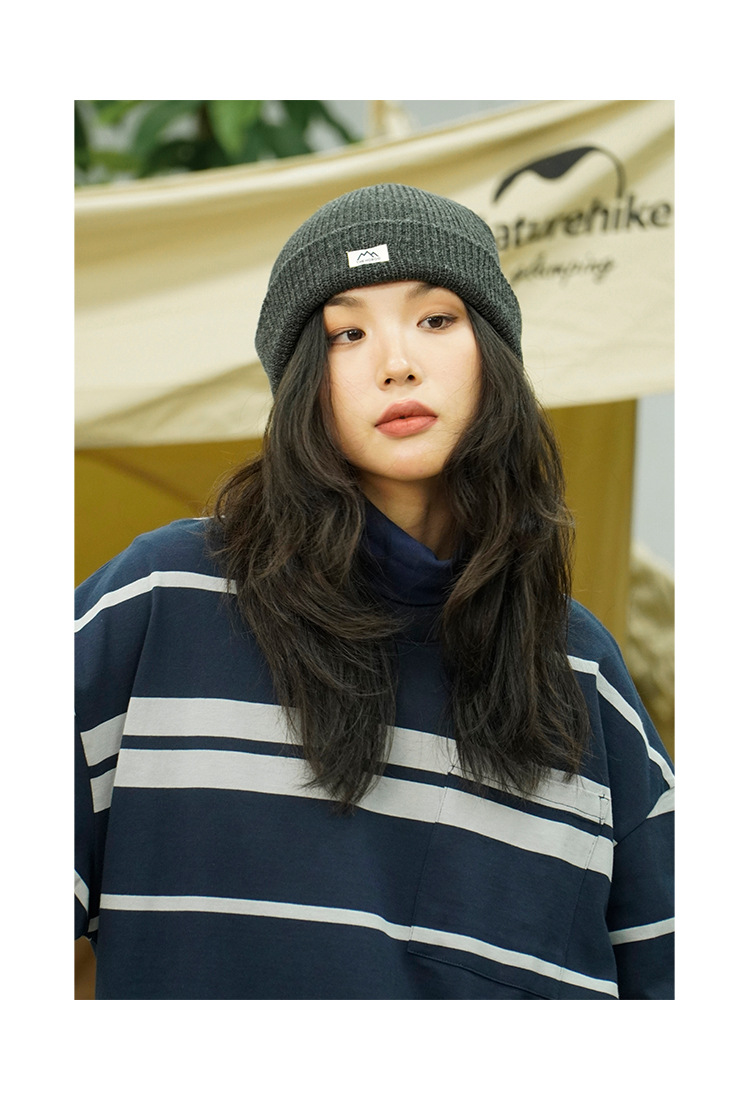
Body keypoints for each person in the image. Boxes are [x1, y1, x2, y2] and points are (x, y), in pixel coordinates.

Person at [75, 183, 674, 1000]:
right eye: (347, 334)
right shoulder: (164, 600)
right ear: (301, 385)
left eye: (436, 320)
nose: (397, 363)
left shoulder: (579, 671)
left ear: (494, 354)